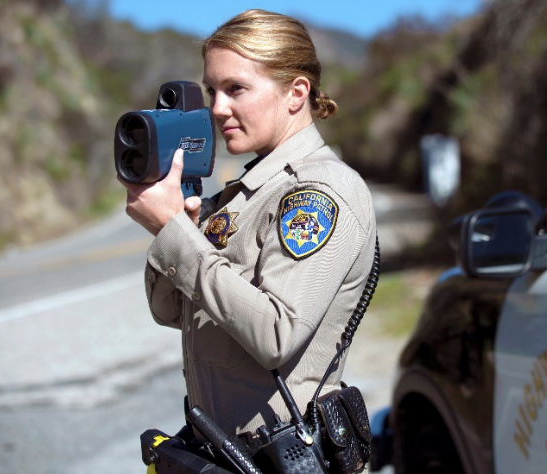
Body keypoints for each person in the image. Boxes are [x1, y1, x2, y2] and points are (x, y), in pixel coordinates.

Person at [121, 8, 377, 446]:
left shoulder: (319, 194)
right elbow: (170, 312)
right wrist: (177, 227)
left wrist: (173, 231)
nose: (218, 109)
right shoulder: (241, 194)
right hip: (223, 450)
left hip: (282, 457)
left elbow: (277, 333)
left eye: (236, 88)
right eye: (212, 91)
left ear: (296, 93)